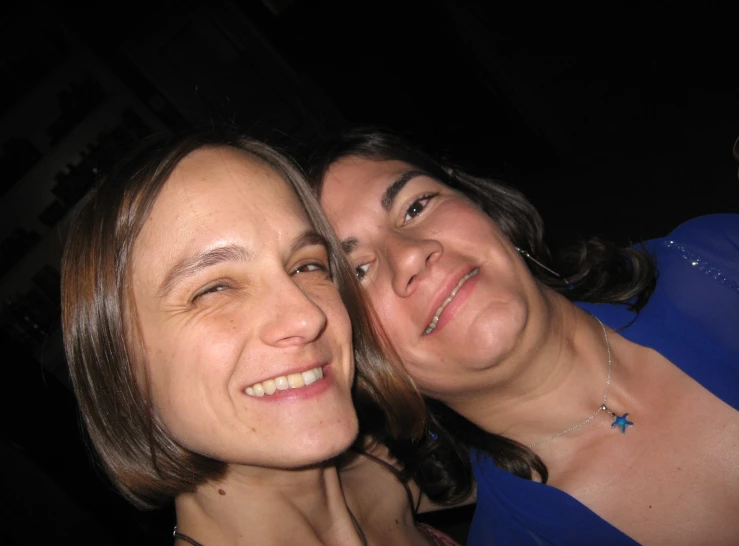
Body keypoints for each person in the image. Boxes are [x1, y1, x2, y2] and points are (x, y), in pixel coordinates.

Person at [308, 127, 739, 545]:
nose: (411, 254)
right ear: (360, 366)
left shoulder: (719, 257)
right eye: (357, 274)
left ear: (484, 207)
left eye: (416, 206)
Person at [60, 129, 466, 545]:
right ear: (117, 367)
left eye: (307, 266)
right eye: (214, 289)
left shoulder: (393, 473)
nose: (306, 317)